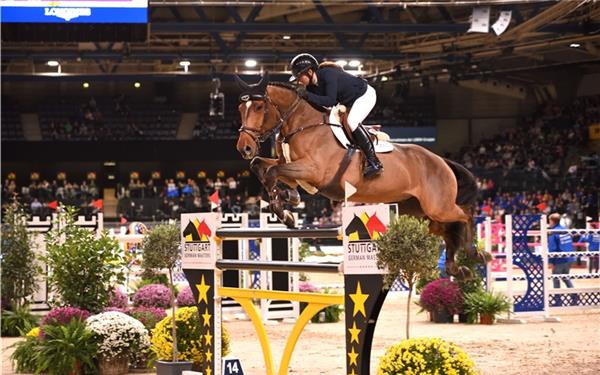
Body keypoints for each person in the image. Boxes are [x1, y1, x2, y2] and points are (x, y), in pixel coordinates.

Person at [289, 53, 383, 178]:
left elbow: (330, 101)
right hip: (349, 101)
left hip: (364, 95)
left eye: (299, 76)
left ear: (310, 72)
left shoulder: (328, 74)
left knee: (352, 121)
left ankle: (374, 162)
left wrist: (307, 95)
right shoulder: (311, 87)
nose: (299, 80)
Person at [547, 213, 575, 289]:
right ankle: (574, 295)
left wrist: (551, 261)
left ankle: (557, 299)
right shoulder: (565, 229)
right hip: (569, 258)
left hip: (560, 259)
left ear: (552, 221)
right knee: (565, 277)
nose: (549, 223)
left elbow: (552, 248)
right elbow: (570, 243)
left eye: (549, 221)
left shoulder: (553, 232)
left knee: (556, 278)